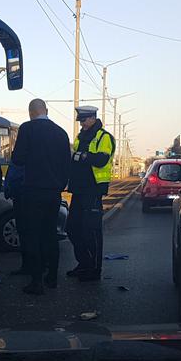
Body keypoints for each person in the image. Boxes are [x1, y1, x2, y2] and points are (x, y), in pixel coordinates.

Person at [11, 99, 71, 295]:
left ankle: (36, 281)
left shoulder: (27, 129)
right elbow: (66, 165)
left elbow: (18, 159)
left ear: (30, 112)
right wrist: (59, 185)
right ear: (46, 110)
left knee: (32, 235)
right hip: (53, 193)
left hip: (32, 191)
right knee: (50, 235)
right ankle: (52, 278)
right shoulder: (61, 133)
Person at [66, 106, 115, 282]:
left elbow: (102, 159)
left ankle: (94, 269)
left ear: (93, 118)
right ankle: (84, 262)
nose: (82, 124)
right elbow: (75, 160)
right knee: (72, 228)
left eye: (85, 120)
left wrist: (81, 156)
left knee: (91, 231)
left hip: (93, 191)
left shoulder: (104, 137)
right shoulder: (80, 138)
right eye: (80, 121)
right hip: (78, 190)